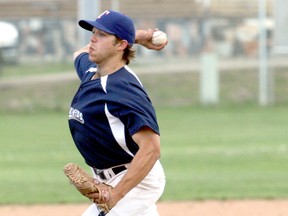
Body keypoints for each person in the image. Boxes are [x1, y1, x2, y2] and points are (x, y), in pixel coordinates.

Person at [68, 10, 167, 216]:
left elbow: (151, 149)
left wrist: (116, 194)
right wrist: (138, 36)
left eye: (102, 35)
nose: (93, 39)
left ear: (120, 45)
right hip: (111, 177)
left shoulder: (123, 90)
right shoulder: (91, 73)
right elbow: (79, 54)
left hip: (135, 179)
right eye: (93, 32)